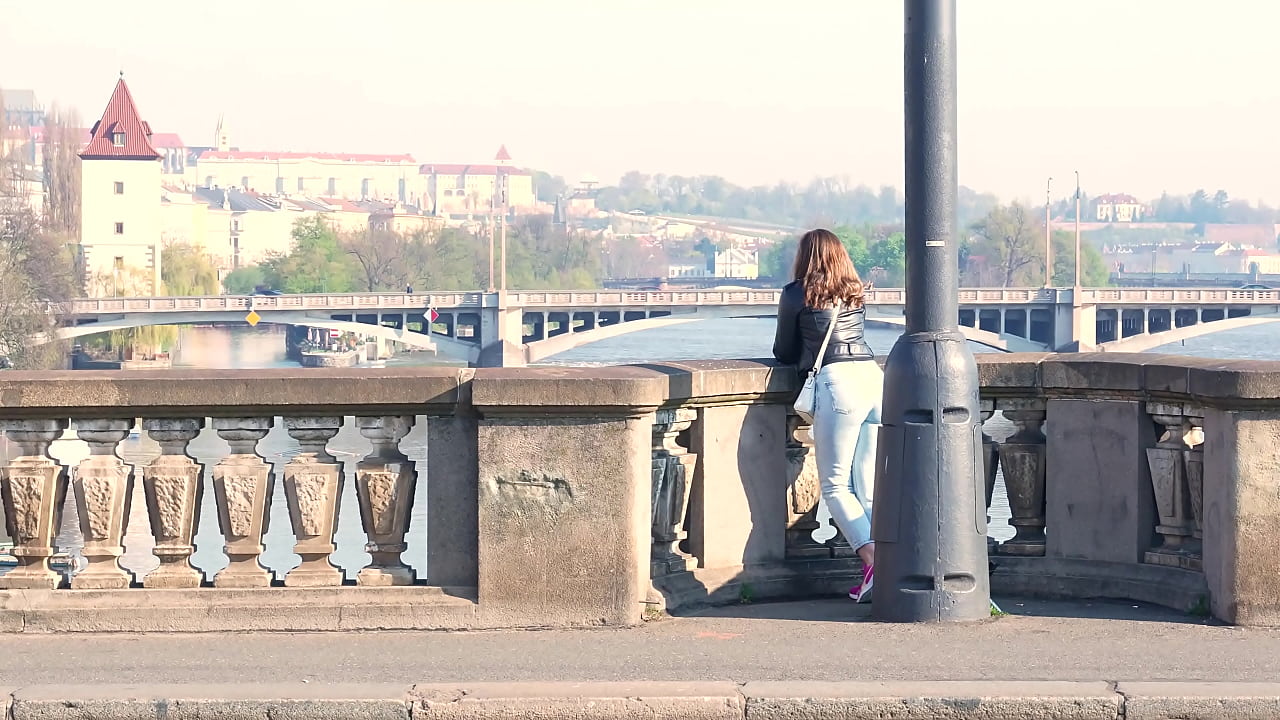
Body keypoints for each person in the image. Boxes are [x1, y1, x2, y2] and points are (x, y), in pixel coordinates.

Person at [772, 228, 884, 603]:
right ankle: (881, 568)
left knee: (835, 485)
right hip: (872, 379)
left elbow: (784, 351)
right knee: (867, 486)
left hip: (839, 386)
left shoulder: (796, 293)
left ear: (806, 256)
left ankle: (875, 563)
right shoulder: (855, 290)